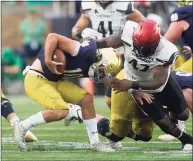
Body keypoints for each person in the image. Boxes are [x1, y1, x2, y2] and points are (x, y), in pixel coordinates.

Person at [13, 32, 128, 152]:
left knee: (86, 98)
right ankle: (22, 126)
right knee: (62, 111)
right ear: (100, 59)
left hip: (56, 81)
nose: (101, 75)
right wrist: (47, 59)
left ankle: (95, 143)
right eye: (101, 70)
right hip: (37, 78)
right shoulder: (84, 52)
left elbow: (112, 82)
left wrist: (133, 89)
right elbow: (52, 36)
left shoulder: (98, 65)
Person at [96, 19, 193, 151]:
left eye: (147, 48)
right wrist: (92, 46)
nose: (141, 50)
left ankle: (162, 114)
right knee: (154, 127)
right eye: (139, 45)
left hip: (158, 84)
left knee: (183, 114)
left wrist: (131, 85)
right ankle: (186, 139)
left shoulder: (167, 50)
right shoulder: (128, 33)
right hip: (135, 86)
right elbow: (106, 42)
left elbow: (158, 81)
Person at [72, 0, 145, 107]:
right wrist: (81, 33)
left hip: (123, 55)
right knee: (110, 100)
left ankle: (138, 117)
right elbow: (75, 30)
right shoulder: (88, 4)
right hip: (103, 56)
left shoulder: (124, 4)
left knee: (121, 96)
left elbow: (145, 25)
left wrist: (130, 34)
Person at [158, 0, 193, 141]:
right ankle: (178, 125)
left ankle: (177, 124)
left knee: (176, 81)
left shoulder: (183, 14)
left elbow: (165, 43)